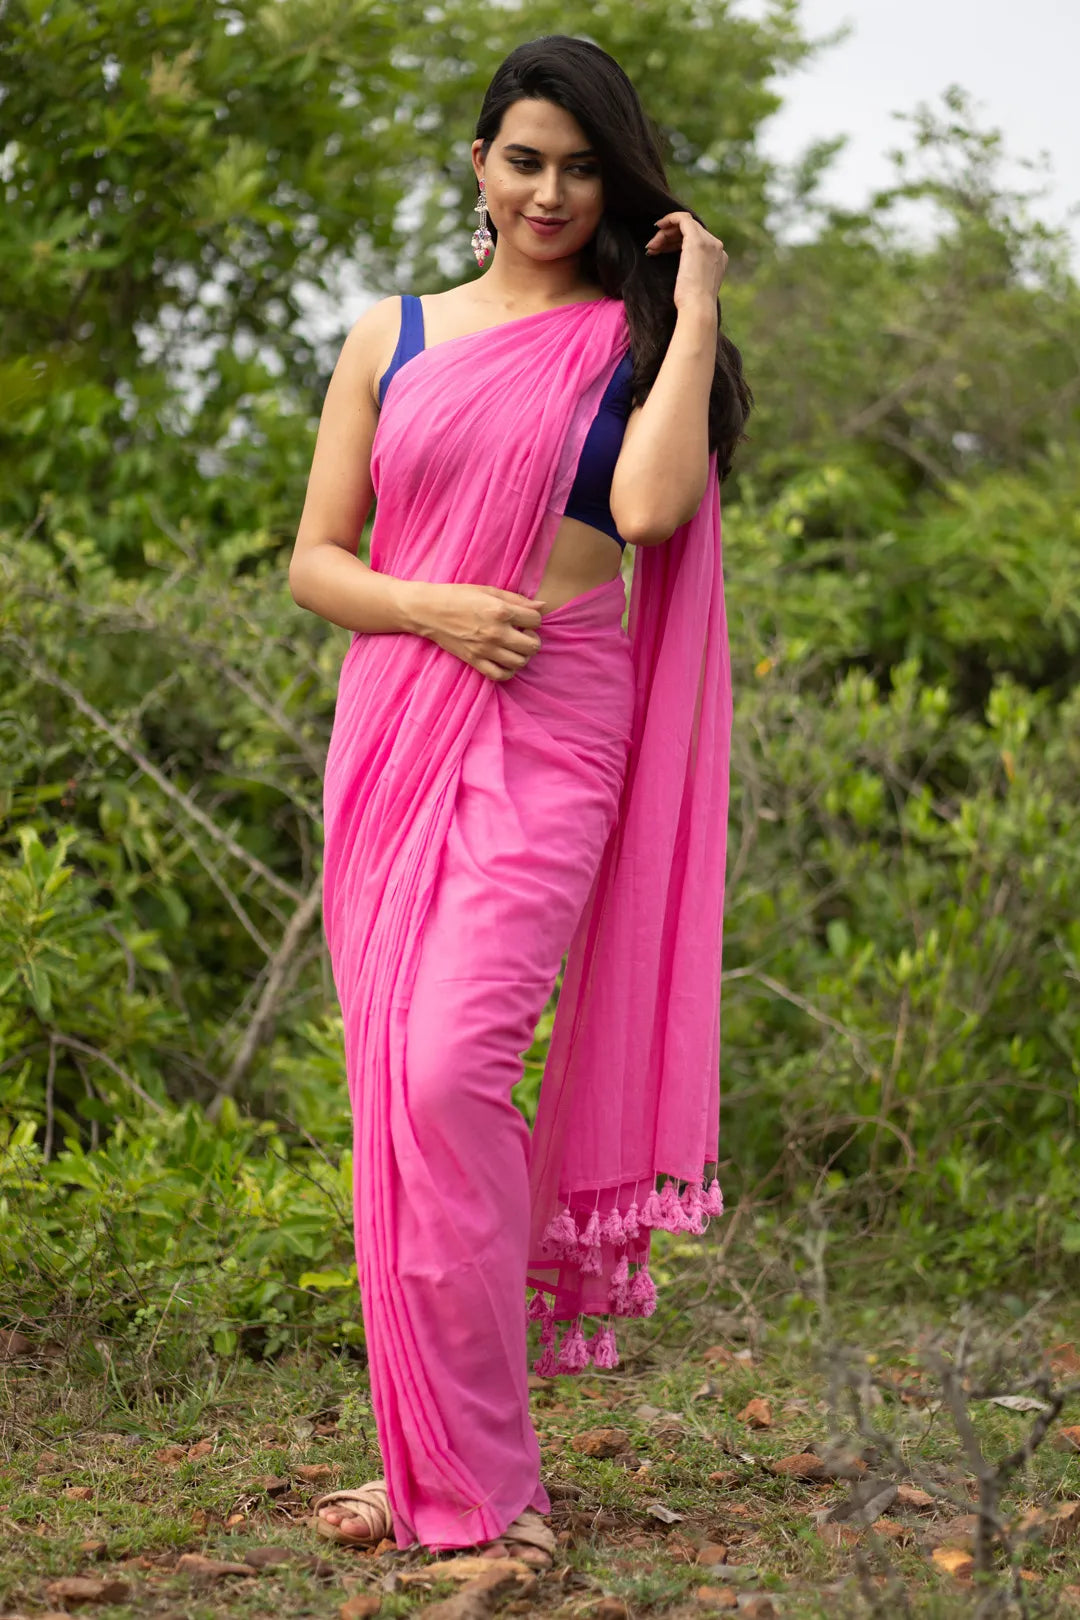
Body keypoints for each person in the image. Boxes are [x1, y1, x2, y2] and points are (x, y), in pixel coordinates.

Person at [288, 33, 749, 1566]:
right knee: (395, 1106)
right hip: (402, 717)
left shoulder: (625, 345)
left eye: (583, 165)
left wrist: (691, 316)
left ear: (616, 182)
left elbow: (650, 506)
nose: (552, 190)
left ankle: (492, 1489)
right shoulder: (392, 334)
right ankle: (437, 1465)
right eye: (525, 157)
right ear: (478, 164)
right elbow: (318, 562)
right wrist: (430, 610)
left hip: (559, 723)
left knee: (446, 1077)